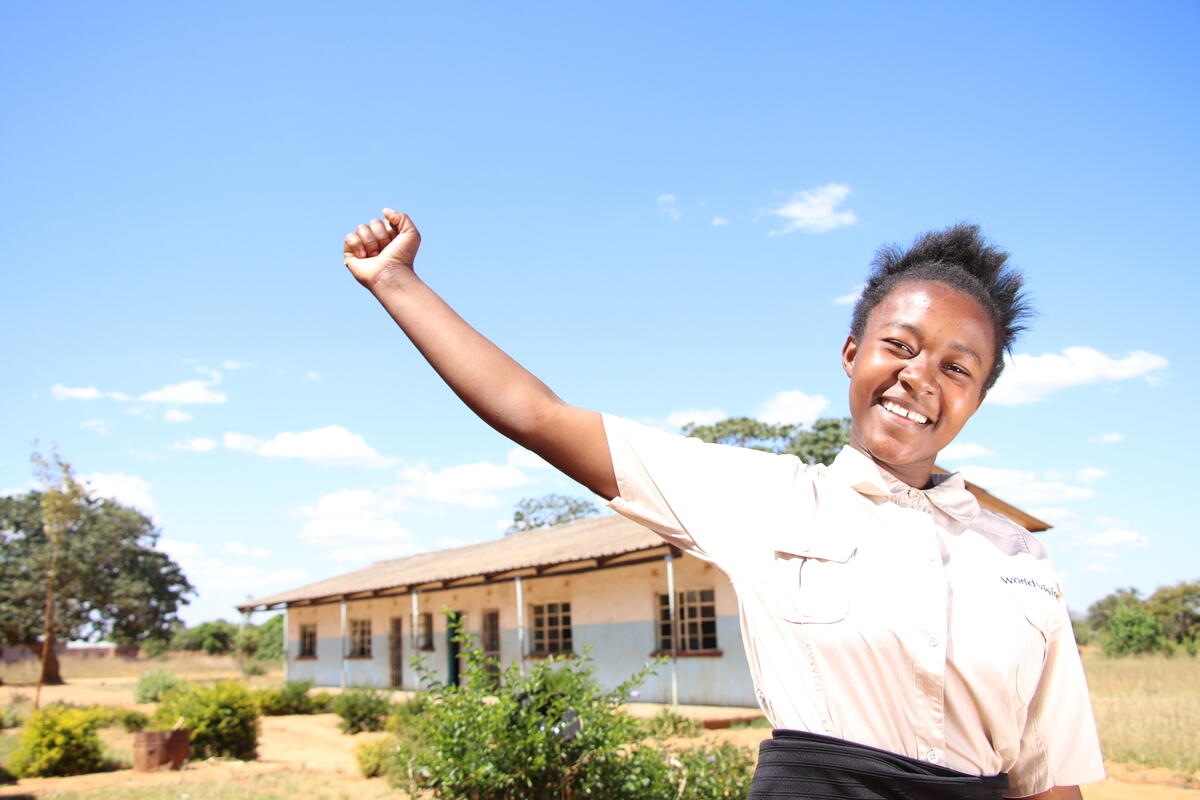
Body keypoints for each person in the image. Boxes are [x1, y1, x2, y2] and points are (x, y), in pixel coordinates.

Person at [342, 209, 1104, 799]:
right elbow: (541, 416)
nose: (919, 378)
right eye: (899, 346)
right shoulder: (767, 499)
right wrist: (395, 281)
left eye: (957, 366)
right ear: (852, 354)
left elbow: (1046, 774)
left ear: (979, 396)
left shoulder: (1020, 560)